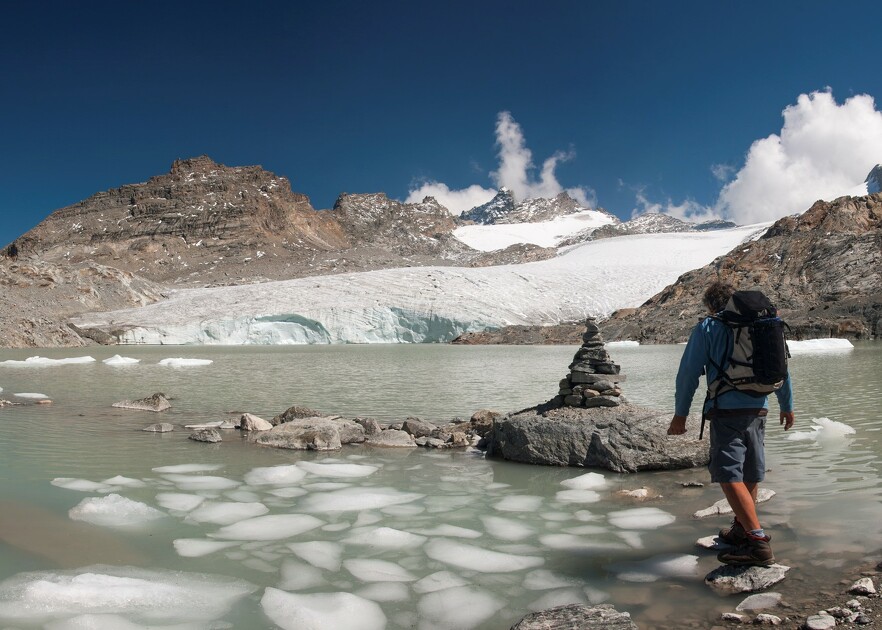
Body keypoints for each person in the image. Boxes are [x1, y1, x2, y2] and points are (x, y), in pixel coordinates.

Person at [667, 280, 794, 567]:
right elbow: (782, 368)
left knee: (728, 474)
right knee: (749, 470)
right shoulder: (762, 325)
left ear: (712, 305)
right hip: (759, 407)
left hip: (726, 411)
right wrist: (787, 405)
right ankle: (742, 530)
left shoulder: (708, 327)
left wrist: (680, 415)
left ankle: (758, 543)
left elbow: (688, 374)